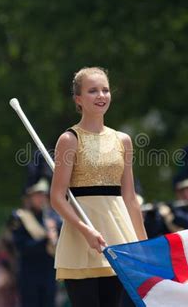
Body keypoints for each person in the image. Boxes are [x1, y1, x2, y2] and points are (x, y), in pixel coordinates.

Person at [50, 66, 147, 307]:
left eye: (105, 90)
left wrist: (144, 246)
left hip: (117, 237)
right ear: (78, 99)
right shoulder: (69, 139)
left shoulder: (123, 140)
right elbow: (57, 198)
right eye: (93, 91)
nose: (101, 95)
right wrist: (86, 231)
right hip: (81, 238)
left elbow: (130, 198)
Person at [9, 154, 60, 307]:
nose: (42, 199)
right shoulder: (20, 218)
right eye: (38, 195)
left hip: (49, 273)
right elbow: (20, 247)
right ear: (29, 196)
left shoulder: (54, 218)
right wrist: (45, 239)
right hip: (29, 274)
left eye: (44, 195)